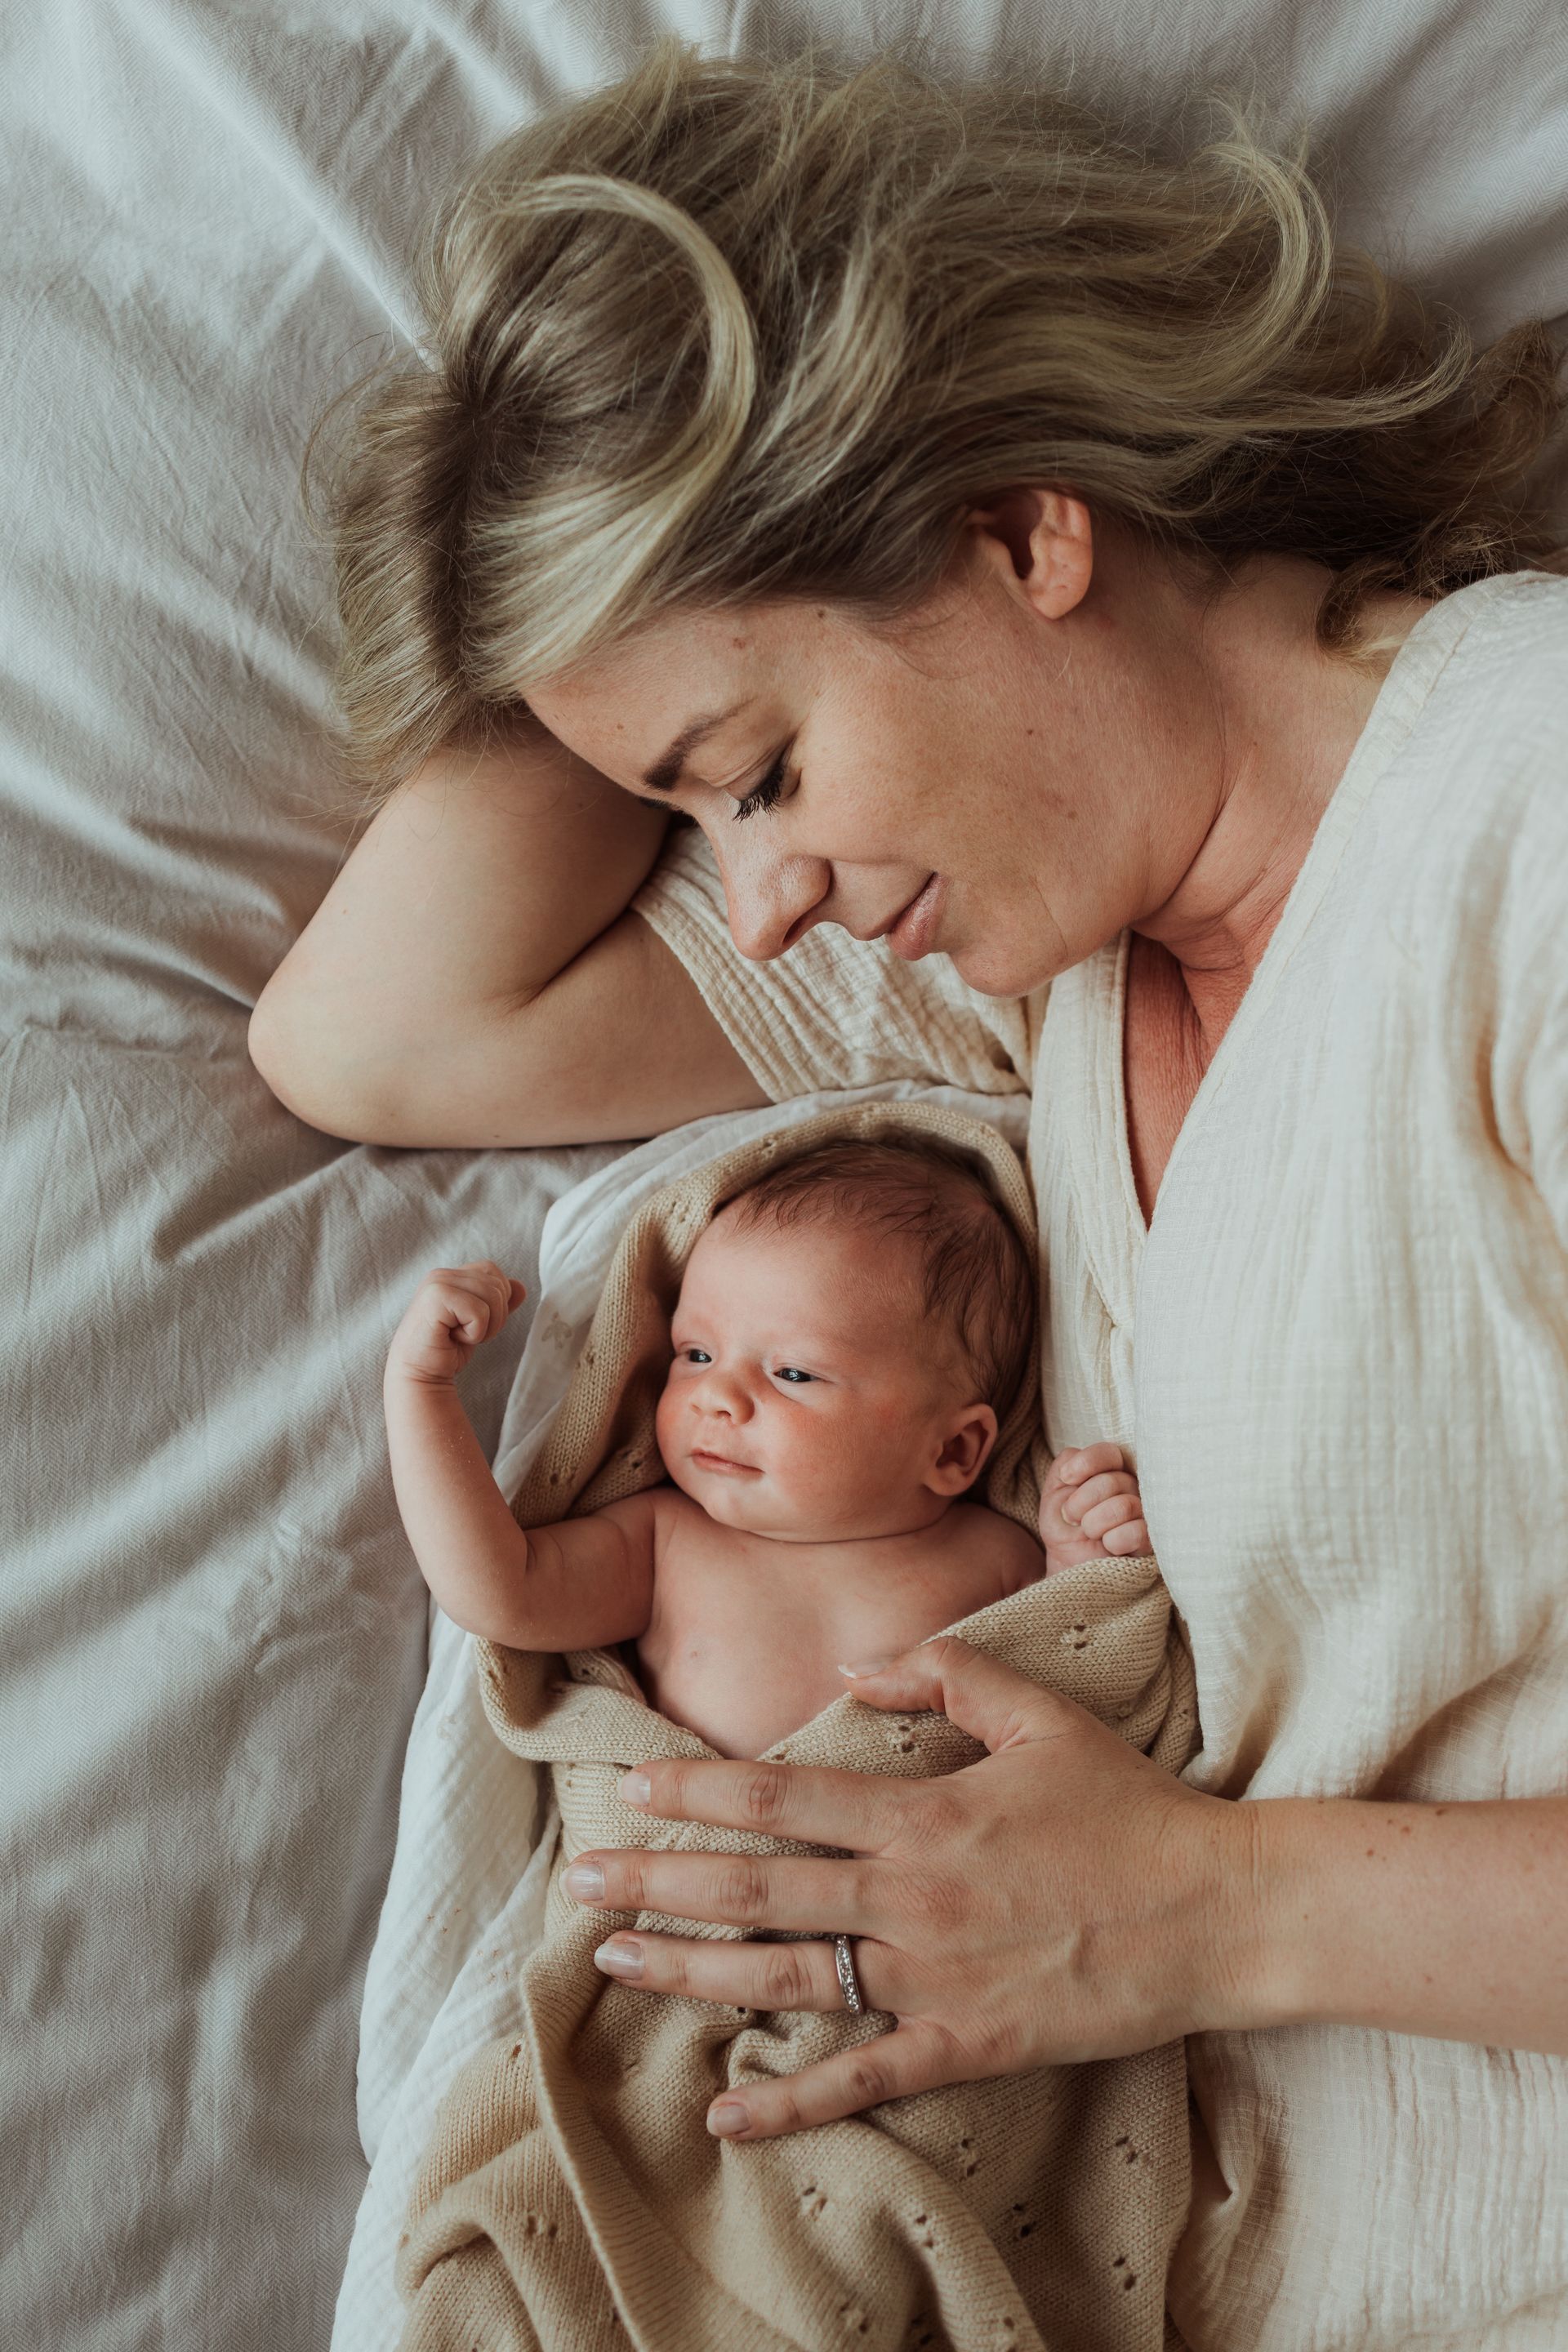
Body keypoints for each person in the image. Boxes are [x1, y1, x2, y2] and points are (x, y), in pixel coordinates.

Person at [249, 40, 1568, 2352]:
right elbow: (379, 1033)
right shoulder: (1027, 991)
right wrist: (586, 607)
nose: (753, 895)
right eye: (690, 811)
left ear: (1018, 527)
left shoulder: (1518, 820)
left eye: (759, 774)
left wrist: (1208, 1910)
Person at [382, 1137, 1134, 1761]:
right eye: (696, 1354)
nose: (715, 1396)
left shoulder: (998, 1556)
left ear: (953, 1450)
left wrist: (1080, 1566)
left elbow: (1084, 1692)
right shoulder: (663, 1545)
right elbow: (499, 1591)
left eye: (792, 1373)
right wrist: (420, 1388)